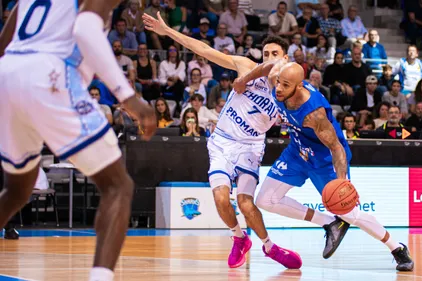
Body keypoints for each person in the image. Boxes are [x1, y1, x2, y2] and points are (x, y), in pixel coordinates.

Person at [0, 2, 157, 281]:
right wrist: (128, 96)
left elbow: (4, 43)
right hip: (50, 74)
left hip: (7, 73)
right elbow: (85, 28)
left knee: (17, 190)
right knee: (118, 186)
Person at [142, 12, 303, 269]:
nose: (270, 59)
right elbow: (204, 50)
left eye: (275, 54)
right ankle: (239, 238)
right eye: (266, 54)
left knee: (245, 203)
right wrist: (168, 32)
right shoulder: (246, 66)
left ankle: (270, 247)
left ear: (286, 59)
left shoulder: (290, 94)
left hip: (250, 147)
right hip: (222, 142)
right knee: (219, 198)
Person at [233, 62, 414, 271]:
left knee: (349, 213)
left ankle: (397, 249)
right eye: (279, 83)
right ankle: (329, 223)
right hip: (297, 151)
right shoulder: (278, 80)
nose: (279, 89)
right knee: (265, 200)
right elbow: (269, 66)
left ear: (299, 86)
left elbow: (337, 149)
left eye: (286, 85)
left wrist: (342, 183)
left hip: (324, 159)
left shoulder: (314, 114)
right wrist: (243, 80)